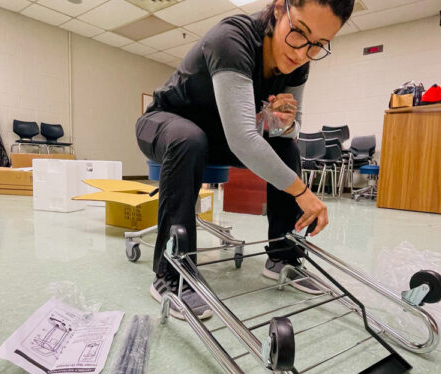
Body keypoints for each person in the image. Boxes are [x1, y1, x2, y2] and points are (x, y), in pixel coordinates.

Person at [135, 0, 354, 320]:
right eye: (299, 32)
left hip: (217, 136)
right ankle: (172, 274)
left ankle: (283, 257)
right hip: (165, 123)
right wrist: (303, 193)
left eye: (317, 45)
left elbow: (287, 131)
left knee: (287, 150)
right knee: (189, 139)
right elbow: (242, 140)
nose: (302, 52)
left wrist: (283, 121)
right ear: (280, 9)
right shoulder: (232, 41)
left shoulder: (299, 61)